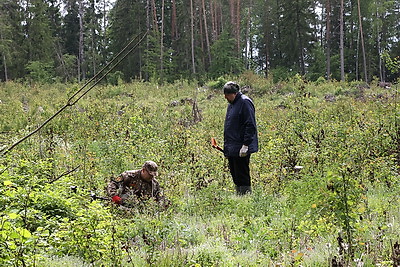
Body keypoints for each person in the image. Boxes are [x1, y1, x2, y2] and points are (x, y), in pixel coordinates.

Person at [222, 81, 258, 195]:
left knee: (242, 174)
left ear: (234, 93)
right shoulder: (231, 104)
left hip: (241, 146)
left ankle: (246, 197)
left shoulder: (245, 102)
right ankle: (239, 197)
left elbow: (250, 125)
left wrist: (245, 145)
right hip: (232, 147)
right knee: (235, 174)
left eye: (227, 94)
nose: (225, 97)